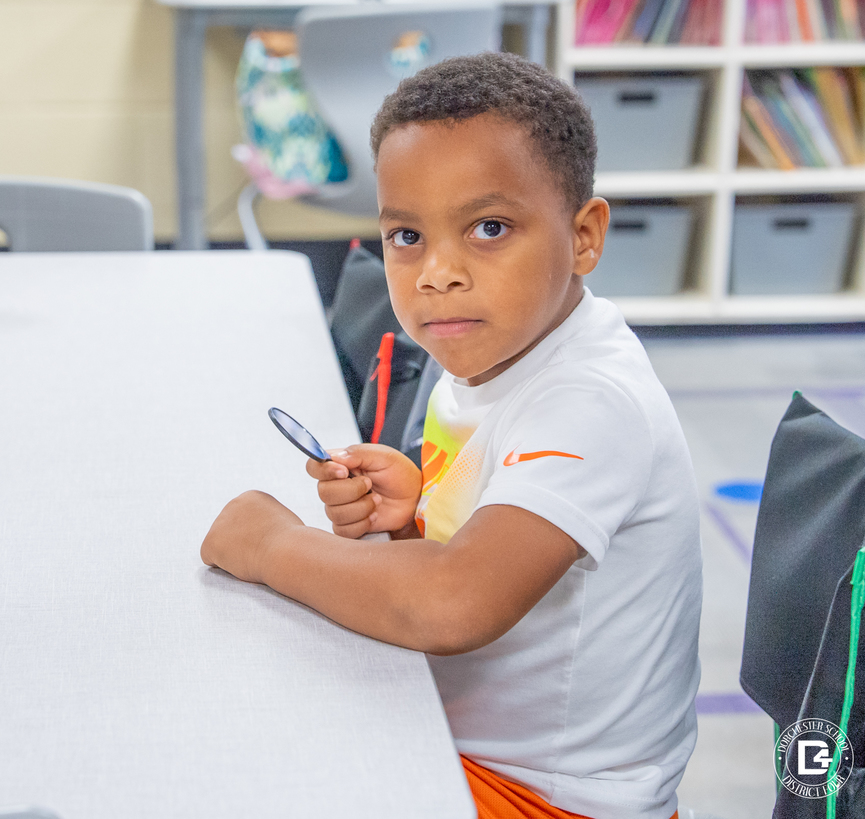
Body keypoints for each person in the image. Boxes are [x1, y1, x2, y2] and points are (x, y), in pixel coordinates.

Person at [201, 51, 702, 819]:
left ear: (585, 236)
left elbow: (455, 604)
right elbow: (468, 564)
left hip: (548, 800)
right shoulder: (486, 345)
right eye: (406, 236)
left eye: (489, 227)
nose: (436, 273)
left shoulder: (593, 399)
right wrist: (414, 520)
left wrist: (272, 546)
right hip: (468, 747)